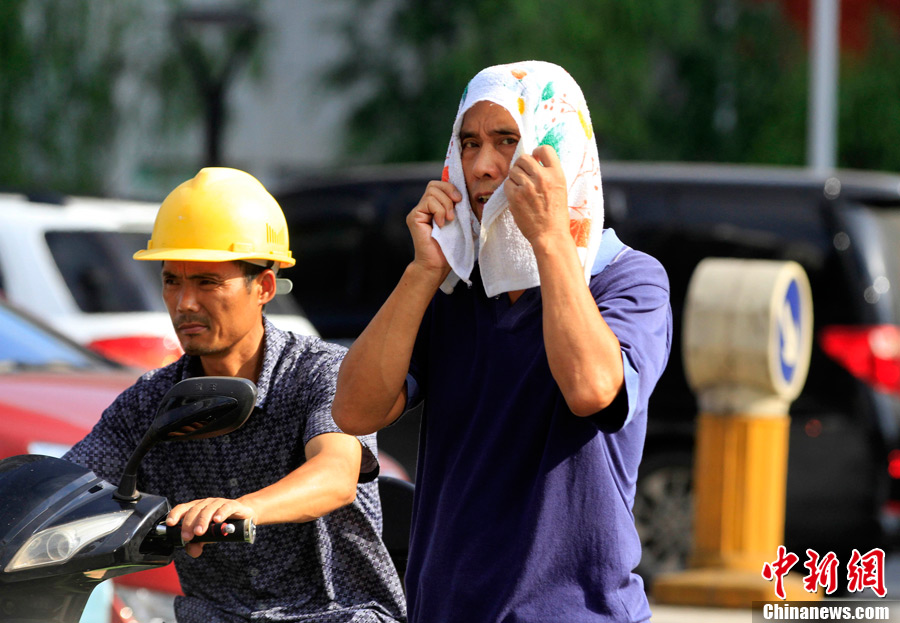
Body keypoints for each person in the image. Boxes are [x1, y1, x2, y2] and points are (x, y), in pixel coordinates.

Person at [332, 61, 672, 622]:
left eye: (507, 142)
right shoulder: (452, 283)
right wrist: (423, 272)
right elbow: (353, 410)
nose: (482, 166)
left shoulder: (627, 279)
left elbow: (592, 389)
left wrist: (552, 241)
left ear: (555, 149)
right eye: (469, 144)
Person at [64, 168, 406, 623]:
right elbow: (66, 484)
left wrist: (244, 507)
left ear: (263, 287)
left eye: (207, 282)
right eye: (172, 281)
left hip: (339, 615)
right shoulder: (151, 402)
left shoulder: (321, 371)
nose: (184, 303)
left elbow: (335, 475)